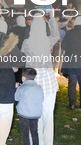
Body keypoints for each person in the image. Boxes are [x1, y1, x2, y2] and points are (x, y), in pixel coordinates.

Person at [21, 13, 59, 145]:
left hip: (33, 83)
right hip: (48, 83)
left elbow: (23, 59)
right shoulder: (48, 41)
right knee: (48, 116)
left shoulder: (26, 43)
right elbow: (56, 35)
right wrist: (52, 19)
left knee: (35, 115)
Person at [15, 68, 44, 145]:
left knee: (25, 132)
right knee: (34, 131)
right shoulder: (39, 88)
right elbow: (42, 99)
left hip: (24, 114)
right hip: (35, 114)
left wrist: (17, 88)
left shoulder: (22, 88)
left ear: (23, 78)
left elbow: (16, 98)